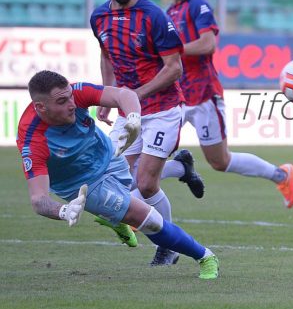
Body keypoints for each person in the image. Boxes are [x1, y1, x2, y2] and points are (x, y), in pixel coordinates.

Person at [16, 70, 219, 280]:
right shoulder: (33, 142)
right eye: (62, 101)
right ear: (41, 107)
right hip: (83, 184)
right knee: (150, 221)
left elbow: (124, 95)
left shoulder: (76, 92)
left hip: (108, 155)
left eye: (70, 97)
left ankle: (117, 217)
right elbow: (38, 199)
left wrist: (133, 118)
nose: (72, 104)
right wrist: (63, 211)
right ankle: (206, 257)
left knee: (137, 185)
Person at [90, 0, 203, 266]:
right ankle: (181, 168)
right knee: (113, 179)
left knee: (146, 183)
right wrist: (108, 95)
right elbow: (106, 55)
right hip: (129, 112)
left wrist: (134, 96)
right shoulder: (98, 18)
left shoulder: (153, 15)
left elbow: (174, 68)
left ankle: (169, 246)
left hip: (163, 109)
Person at [162, 0, 293, 208]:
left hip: (203, 95)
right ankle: (136, 207)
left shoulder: (198, 5)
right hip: (176, 97)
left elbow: (208, 44)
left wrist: (173, 51)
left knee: (220, 161)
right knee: (153, 152)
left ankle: (281, 175)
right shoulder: (169, 12)